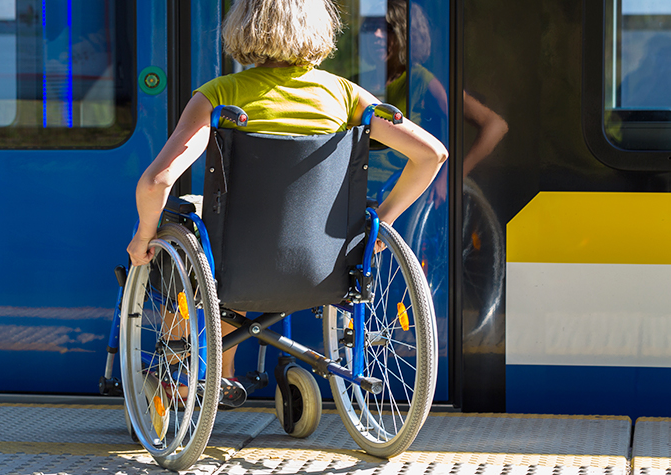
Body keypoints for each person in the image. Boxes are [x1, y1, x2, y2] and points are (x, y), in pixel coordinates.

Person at [126, 0, 448, 406]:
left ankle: (183, 372)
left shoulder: (219, 95)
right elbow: (432, 155)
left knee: (176, 226)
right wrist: (382, 222)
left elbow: (157, 181)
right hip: (323, 274)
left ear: (242, 28)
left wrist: (143, 237)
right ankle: (224, 372)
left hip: (234, 269)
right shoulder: (346, 96)